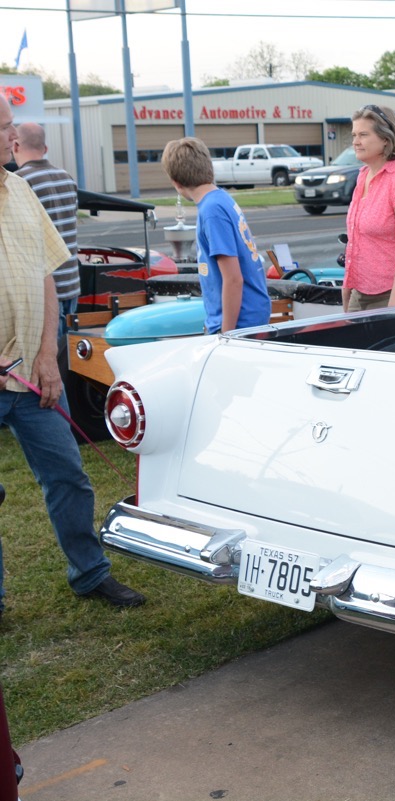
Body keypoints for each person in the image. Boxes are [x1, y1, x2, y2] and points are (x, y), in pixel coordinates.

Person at [0, 93, 145, 615]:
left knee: (68, 475)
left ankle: (90, 574)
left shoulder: (20, 188)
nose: (12, 138)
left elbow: (44, 274)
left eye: (11, 127)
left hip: (28, 375)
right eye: (2, 129)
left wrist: (46, 354)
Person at [161, 137, 271, 334]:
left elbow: (233, 279)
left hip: (239, 324)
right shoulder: (220, 199)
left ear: (176, 183)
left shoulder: (212, 211)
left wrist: (226, 335)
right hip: (246, 318)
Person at [342, 103, 395, 311]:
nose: (356, 142)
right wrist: (347, 293)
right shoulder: (363, 176)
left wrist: (393, 311)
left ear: (385, 138)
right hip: (359, 295)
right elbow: (355, 243)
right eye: (354, 135)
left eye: (363, 135)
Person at [12, 122, 80, 338]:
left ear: (15, 146)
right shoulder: (67, 178)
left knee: (49, 357)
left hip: (45, 290)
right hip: (71, 282)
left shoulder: (20, 182)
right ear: (46, 148)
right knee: (67, 357)